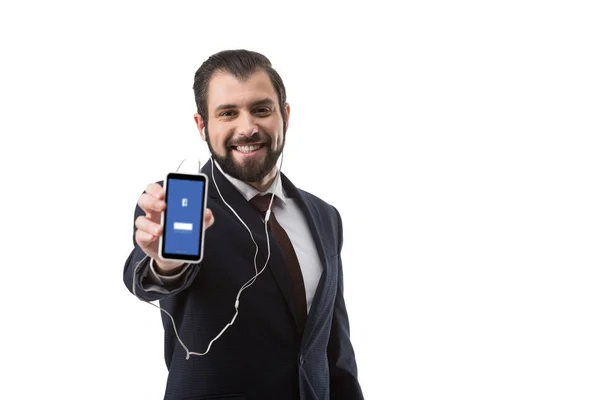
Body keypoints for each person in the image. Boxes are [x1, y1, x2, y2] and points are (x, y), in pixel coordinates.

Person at [123, 49, 364, 400]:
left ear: (285, 116)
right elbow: (151, 276)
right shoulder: (175, 206)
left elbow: (334, 349)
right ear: (202, 126)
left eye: (261, 110)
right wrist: (166, 265)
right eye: (228, 114)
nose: (247, 127)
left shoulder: (324, 215)